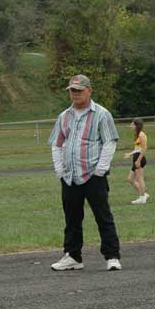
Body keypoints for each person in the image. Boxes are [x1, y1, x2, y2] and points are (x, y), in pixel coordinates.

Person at [49, 74, 121, 273]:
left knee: (103, 216)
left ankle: (112, 256)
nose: (75, 94)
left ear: (89, 91)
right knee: (71, 218)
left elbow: (109, 142)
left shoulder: (102, 114)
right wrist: (59, 170)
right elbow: (57, 143)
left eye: (79, 90)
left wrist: (100, 170)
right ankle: (73, 256)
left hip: (93, 175)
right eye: (72, 90)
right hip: (70, 176)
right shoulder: (64, 116)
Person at [125, 118, 149, 204]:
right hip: (136, 157)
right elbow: (137, 148)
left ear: (136, 125)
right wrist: (130, 154)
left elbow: (144, 148)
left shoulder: (142, 135)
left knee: (140, 179)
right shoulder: (137, 135)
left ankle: (142, 198)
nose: (130, 126)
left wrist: (138, 160)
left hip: (139, 158)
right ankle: (144, 194)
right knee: (130, 179)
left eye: (132, 124)